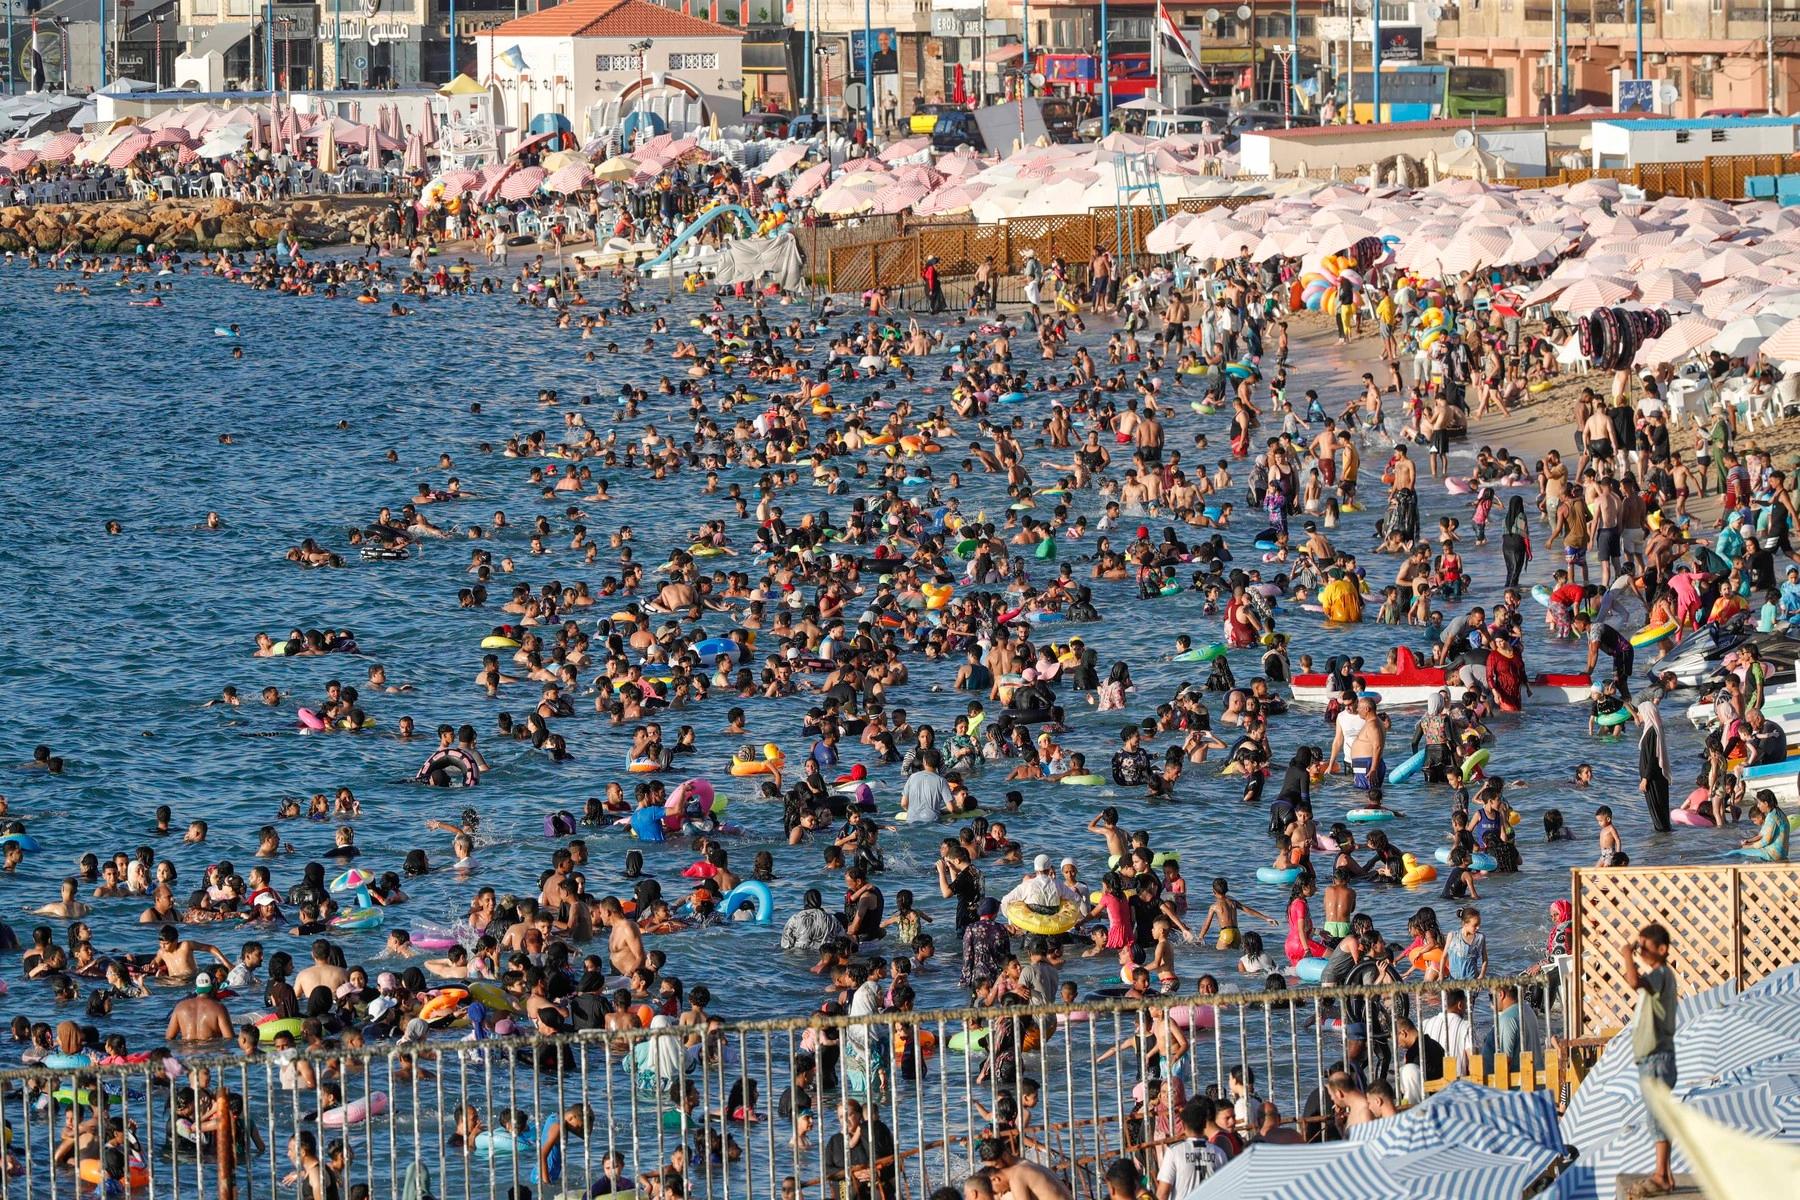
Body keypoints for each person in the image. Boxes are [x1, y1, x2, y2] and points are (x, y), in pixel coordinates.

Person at [1624, 923, 1678, 1198]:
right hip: (1655, 1057)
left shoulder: (1660, 975)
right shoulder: (1660, 976)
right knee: (1657, 1114)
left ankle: (1660, 1174)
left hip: (1657, 1058)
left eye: (1644, 947)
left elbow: (1634, 982)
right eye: (1638, 947)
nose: (1640, 952)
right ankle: (1665, 1174)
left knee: (1657, 1117)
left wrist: (1626, 954)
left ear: (1662, 949)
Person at [824, 1098, 897, 1200]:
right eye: (841, 1117)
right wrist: (853, 1173)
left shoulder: (873, 1135)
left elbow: (894, 1165)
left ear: (859, 1115)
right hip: (845, 1193)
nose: (845, 1120)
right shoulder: (834, 1141)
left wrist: (878, 1173)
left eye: (849, 1115)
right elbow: (827, 1170)